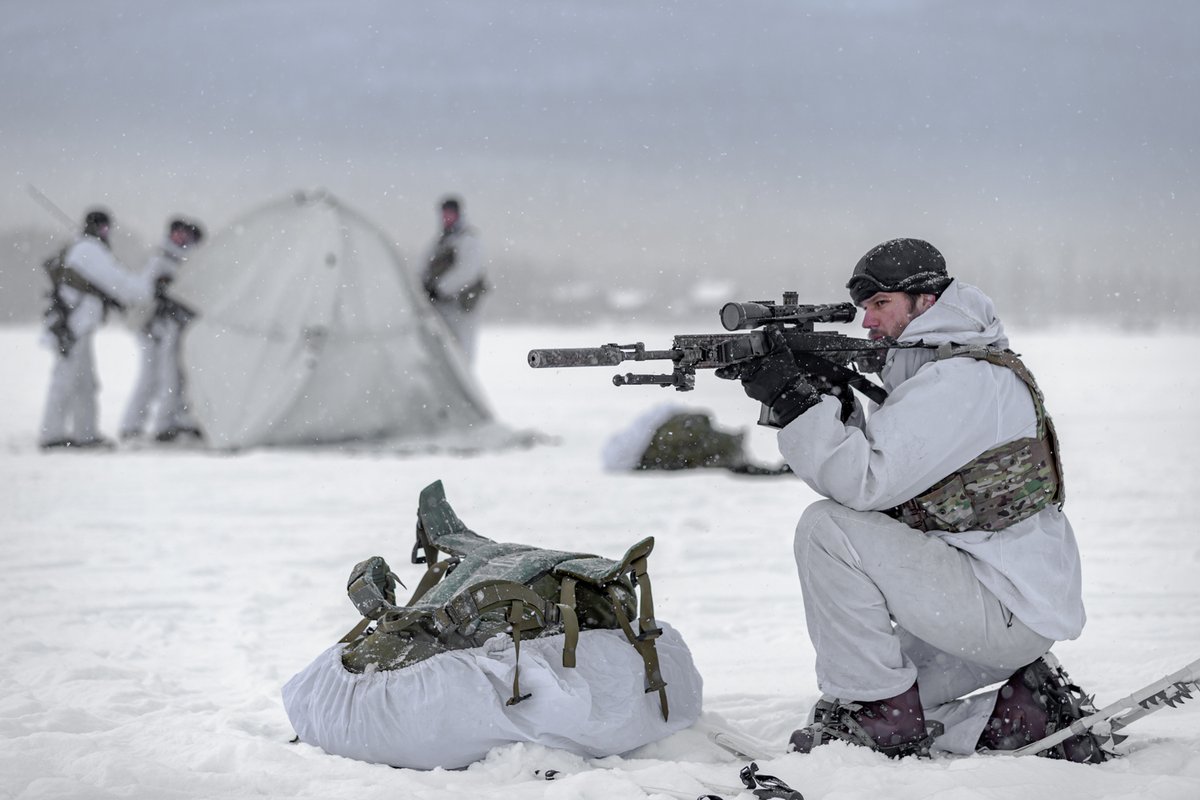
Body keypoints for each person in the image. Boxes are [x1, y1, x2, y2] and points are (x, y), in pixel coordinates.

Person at [719, 238, 1105, 761]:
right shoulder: (952, 370)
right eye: (864, 309)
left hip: (1000, 606)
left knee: (824, 529)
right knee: (844, 696)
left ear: (927, 302)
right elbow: (894, 486)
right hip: (1003, 604)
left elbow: (863, 486)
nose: (868, 324)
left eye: (881, 305)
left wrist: (794, 403)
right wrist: (833, 403)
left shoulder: (960, 381)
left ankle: (883, 722)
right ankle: (1023, 714)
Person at [39, 209, 153, 449]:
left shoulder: (86, 249)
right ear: (94, 227)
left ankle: (85, 433)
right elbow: (118, 283)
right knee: (67, 380)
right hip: (72, 327)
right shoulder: (89, 250)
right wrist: (147, 290)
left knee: (83, 382)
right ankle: (52, 436)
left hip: (78, 326)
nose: (105, 232)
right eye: (102, 227)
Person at [119, 217, 205, 442]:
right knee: (153, 378)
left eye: (185, 234)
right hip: (154, 328)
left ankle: (170, 422)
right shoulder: (160, 260)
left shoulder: (184, 260)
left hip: (171, 328)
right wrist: (160, 295)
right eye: (178, 233)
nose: (181, 237)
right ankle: (134, 425)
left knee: (174, 377)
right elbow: (143, 294)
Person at [421, 196, 488, 364]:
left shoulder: (468, 239)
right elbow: (424, 266)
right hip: (440, 307)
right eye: (444, 214)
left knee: (461, 352)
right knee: (441, 352)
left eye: (450, 214)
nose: (446, 218)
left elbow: (467, 271)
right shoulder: (441, 241)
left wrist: (440, 289)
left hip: (461, 306)